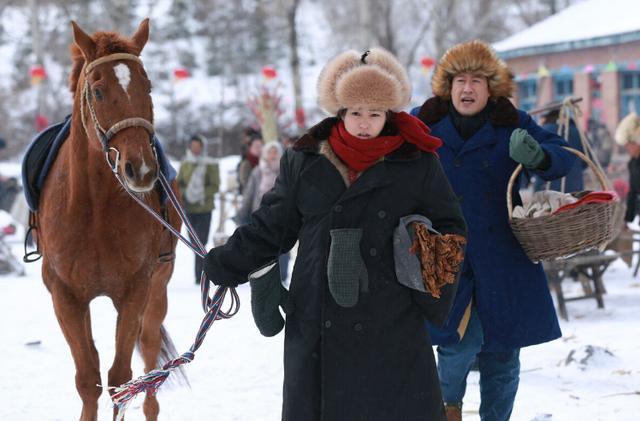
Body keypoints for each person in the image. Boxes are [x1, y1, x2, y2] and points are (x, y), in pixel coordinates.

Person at [204, 47, 467, 420]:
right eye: (356, 113)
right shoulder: (305, 159)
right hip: (317, 317)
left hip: (391, 319)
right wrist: (225, 263)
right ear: (340, 111)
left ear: (389, 114)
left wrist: (423, 259)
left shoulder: (417, 162)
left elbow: (451, 228)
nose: (364, 123)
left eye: (374, 114)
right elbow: (272, 226)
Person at [412, 40, 575, 421]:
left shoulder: (512, 122)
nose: (467, 89)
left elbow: (564, 156)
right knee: (455, 345)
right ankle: (447, 411)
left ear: (491, 88)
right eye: (460, 81)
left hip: (502, 255)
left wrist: (539, 156)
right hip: (446, 255)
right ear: (447, 87)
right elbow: (382, 148)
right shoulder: (424, 122)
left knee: (503, 351)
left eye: (477, 81)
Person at [236, 141, 290, 281]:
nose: (273, 155)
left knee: (282, 246)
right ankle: (262, 275)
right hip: (260, 213)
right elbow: (249, 193)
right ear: (265, 154)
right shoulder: (258, 171)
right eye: (270, 152)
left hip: (282, 215)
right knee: (261, 246)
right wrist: (243, 212)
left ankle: (282, 275)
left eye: (275, 152)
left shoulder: (286, 169)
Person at [177, 134, 220, 284]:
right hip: (189, 208)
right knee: (193, 243)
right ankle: (200, 274)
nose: (195, 149)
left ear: (202, 147)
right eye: (193, 146)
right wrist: (186, 194)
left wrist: (201, 194)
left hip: (204, 208)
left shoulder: (211, 164)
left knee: (202, 242)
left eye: (198, 146)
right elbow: (179, 183)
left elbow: (215, 186)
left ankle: (202, 276)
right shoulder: (185, 163)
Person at [533, 108, 586, 192]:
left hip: (547, 187)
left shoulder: (542, 131)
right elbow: (586, 159)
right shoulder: (578, 132)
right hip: (575, 187)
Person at [614, 111, 640, 224]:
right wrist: (628, 218)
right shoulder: (632, 163)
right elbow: (633, 192)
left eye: (627, 145)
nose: (626, 149)